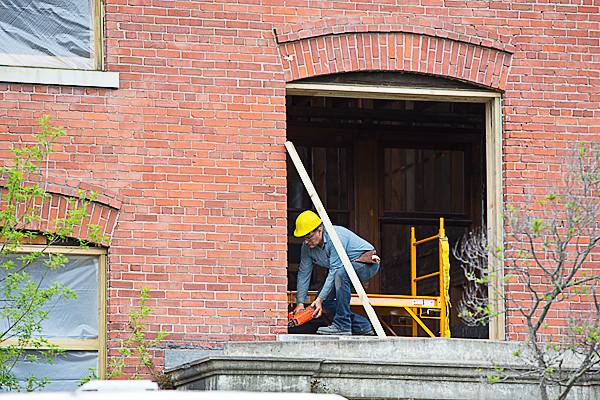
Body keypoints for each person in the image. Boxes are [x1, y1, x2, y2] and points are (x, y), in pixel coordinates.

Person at [293, 210, 380, 335]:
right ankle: (362, 325)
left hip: (366, 264)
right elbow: (303, 274)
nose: (306, 242)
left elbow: (335, 271)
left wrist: (319, 300)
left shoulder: (335, 237)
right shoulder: (306, 248)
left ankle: (342, 324)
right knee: (326, 300)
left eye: (308, 237)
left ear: (319, 230)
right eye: (303, 239)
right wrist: (300, 302)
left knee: (340, 274)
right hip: (343, 269)